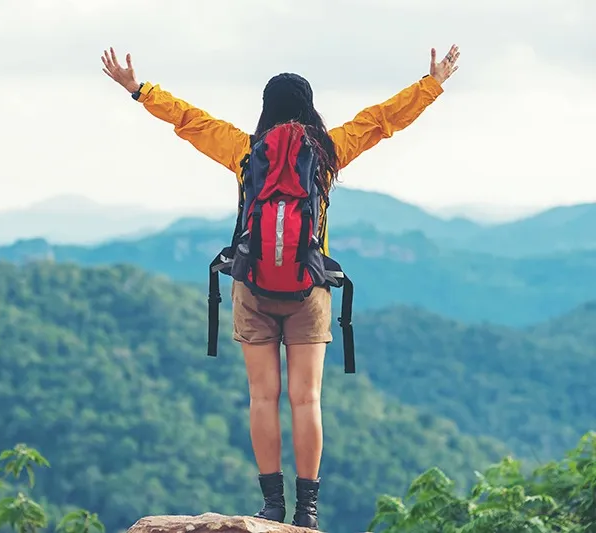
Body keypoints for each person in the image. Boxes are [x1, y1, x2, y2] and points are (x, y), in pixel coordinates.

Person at [101, 44, 460, 530]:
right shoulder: (328, 151)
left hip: (252, 287)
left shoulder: (246, 151)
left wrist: (138, 89)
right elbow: (380, 120)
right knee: (306, 399)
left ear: (266, 108)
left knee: (262, 398)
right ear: (310, 107)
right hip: (309, 288)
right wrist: (431, 84)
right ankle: (306, 512)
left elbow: (189, 120)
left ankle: (271, 506)